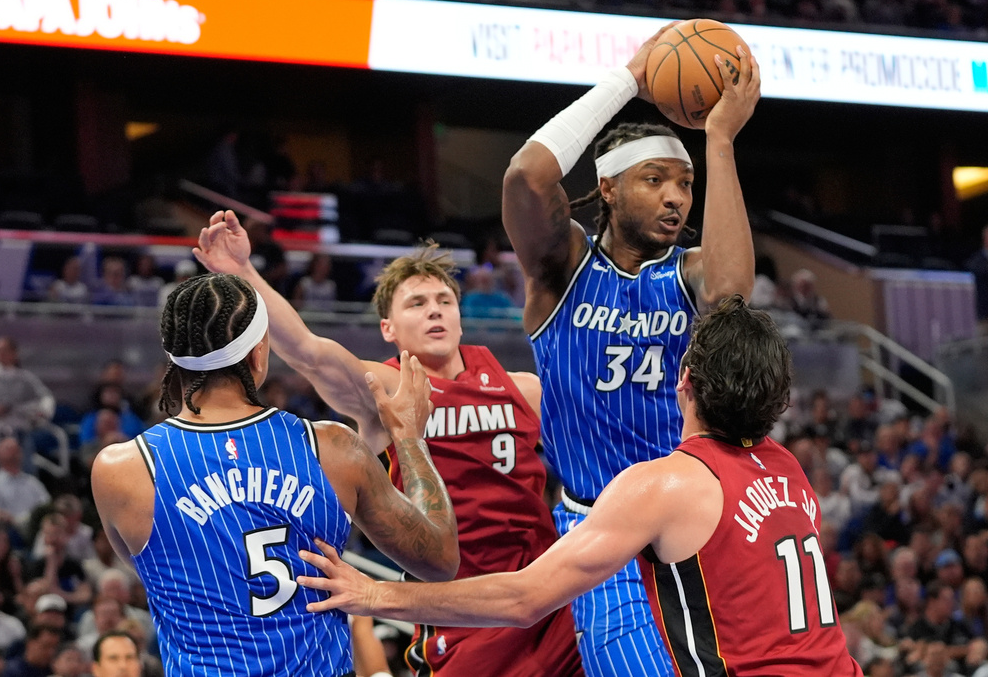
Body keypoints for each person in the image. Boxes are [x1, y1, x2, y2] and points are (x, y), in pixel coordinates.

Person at [297, 296, 863, 676]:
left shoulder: (665, 484)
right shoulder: (790, 469)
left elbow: (523, 599)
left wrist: (376, 593)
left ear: (684, 381)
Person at [194, 212, 584, 677]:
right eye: (416, 303)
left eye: (444, 300)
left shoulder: (525, 388)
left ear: (461, 316)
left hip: (547, 594)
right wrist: (243, 271)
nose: (435, 309)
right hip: (454, 605)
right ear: (388, 329)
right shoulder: (383, 388)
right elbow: (309, 352)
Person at [498, 21, 760, 675]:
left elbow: (731, 295)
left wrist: (719, 142)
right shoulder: (563, 268)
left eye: (685, 183)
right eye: (654, 179)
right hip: (600, 534)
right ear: (608, 187)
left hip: (697, 527)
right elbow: (525, 179)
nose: (676, 197)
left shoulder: (688, 273)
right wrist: (630, 80)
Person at [90, 272, 459, 677]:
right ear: (258, 353)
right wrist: (409, 438)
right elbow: (439, 561)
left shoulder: (121, 470)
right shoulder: (333, 448)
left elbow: (148, 567)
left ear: (174, 358)